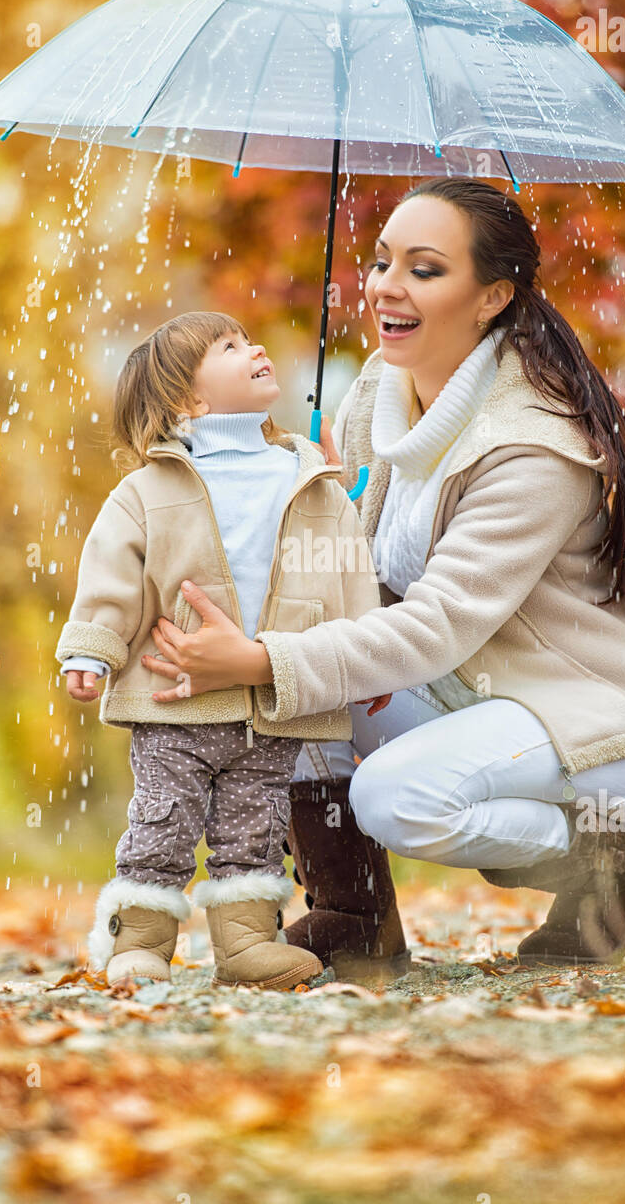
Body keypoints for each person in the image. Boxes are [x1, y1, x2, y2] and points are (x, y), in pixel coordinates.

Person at [139, 178, 625, 973]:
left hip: (586, 715)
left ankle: (610, 857)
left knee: (392, 796)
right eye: (379, 261)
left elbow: (436, 626)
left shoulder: (532, 446)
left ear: (491, 296)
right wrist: (306, 509)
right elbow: (356, 586)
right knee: (288, 699)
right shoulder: (376, 393)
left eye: (424, 269)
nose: (384, 287)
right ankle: (354, 918)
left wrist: (264, 659)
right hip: (466, 688)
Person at [55, 311, 384, 989]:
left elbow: (347, 572)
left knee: (255, 829)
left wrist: (362, 660)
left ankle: (245, 946)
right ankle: (140, 941)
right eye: (229, 348)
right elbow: (111, 575)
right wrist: (91, 650)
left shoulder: (307, 479)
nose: (254, 346)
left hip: (272, 701)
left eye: (246, 338)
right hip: (174, 698)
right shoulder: (147, 490)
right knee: (162, 821)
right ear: (190, 401)